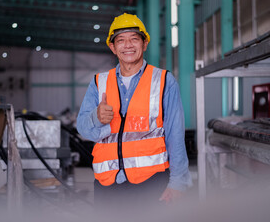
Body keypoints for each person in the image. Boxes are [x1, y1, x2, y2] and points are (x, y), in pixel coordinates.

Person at [77, 13, 192, 211]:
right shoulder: (99, 83)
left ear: (144, 43)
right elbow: (83, 128)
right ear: (112, 47)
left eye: (134, 39)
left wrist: (178, 182)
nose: (128, 45)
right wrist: (96, 117)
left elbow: (175, 134)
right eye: (120, 40)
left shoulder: (164, 81)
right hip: (108, 184)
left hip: (152, 183)